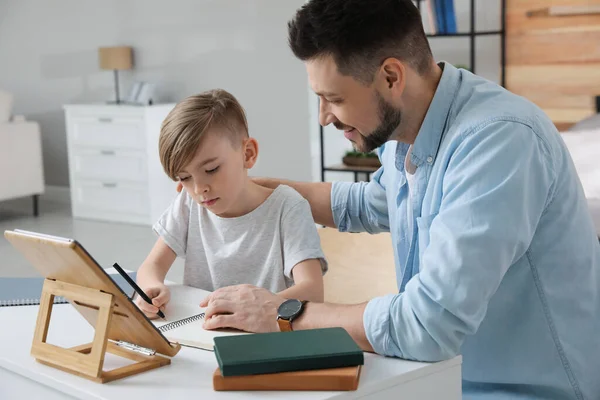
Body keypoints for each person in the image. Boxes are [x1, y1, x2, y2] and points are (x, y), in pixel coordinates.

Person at [197, 0, 600, 398]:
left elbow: (427, 327)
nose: (324, 116)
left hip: (523, 391)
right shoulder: (407, 127)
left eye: (334, 99)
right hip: (438, 377)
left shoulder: (498, 141)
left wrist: (282, 313)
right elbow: (371, 202)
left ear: (391, 76)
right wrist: (255, 191)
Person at [135, 89, 327, 321]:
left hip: (266, 338)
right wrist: (152, 287)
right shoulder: (188, 204)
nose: (199, 189)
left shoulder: (288, 208)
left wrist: (260, 308)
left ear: (248, 154)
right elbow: (150, 267)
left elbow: (313, 292)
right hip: (205, 333)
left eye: (211, 170)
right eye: (185, 178)